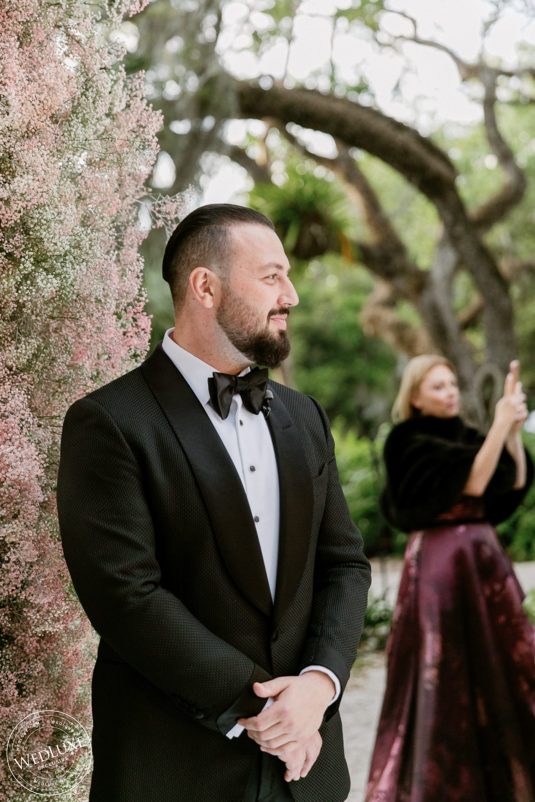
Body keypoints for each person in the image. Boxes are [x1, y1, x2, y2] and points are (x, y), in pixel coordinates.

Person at [57, 203, 371, 802]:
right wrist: (267, 712)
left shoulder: (305, 416)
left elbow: (345, 564)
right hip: (174, 769)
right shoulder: (109, 422)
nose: (291, 295)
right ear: (205, 287)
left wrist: (318, 687)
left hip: (306, 769)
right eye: (272, 276)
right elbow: (127, 597)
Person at [365, 354, 535, 802]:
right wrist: (499, 425)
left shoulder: (467, 435)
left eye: (453, 384)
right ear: (416, 397)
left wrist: (511, 433)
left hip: (482, 559)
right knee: (445, 667)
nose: (451, 393)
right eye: (438, 386)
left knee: (508, 659)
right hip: (441, 563)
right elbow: (472, 484)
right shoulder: (407, 441)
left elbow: (509, 485)